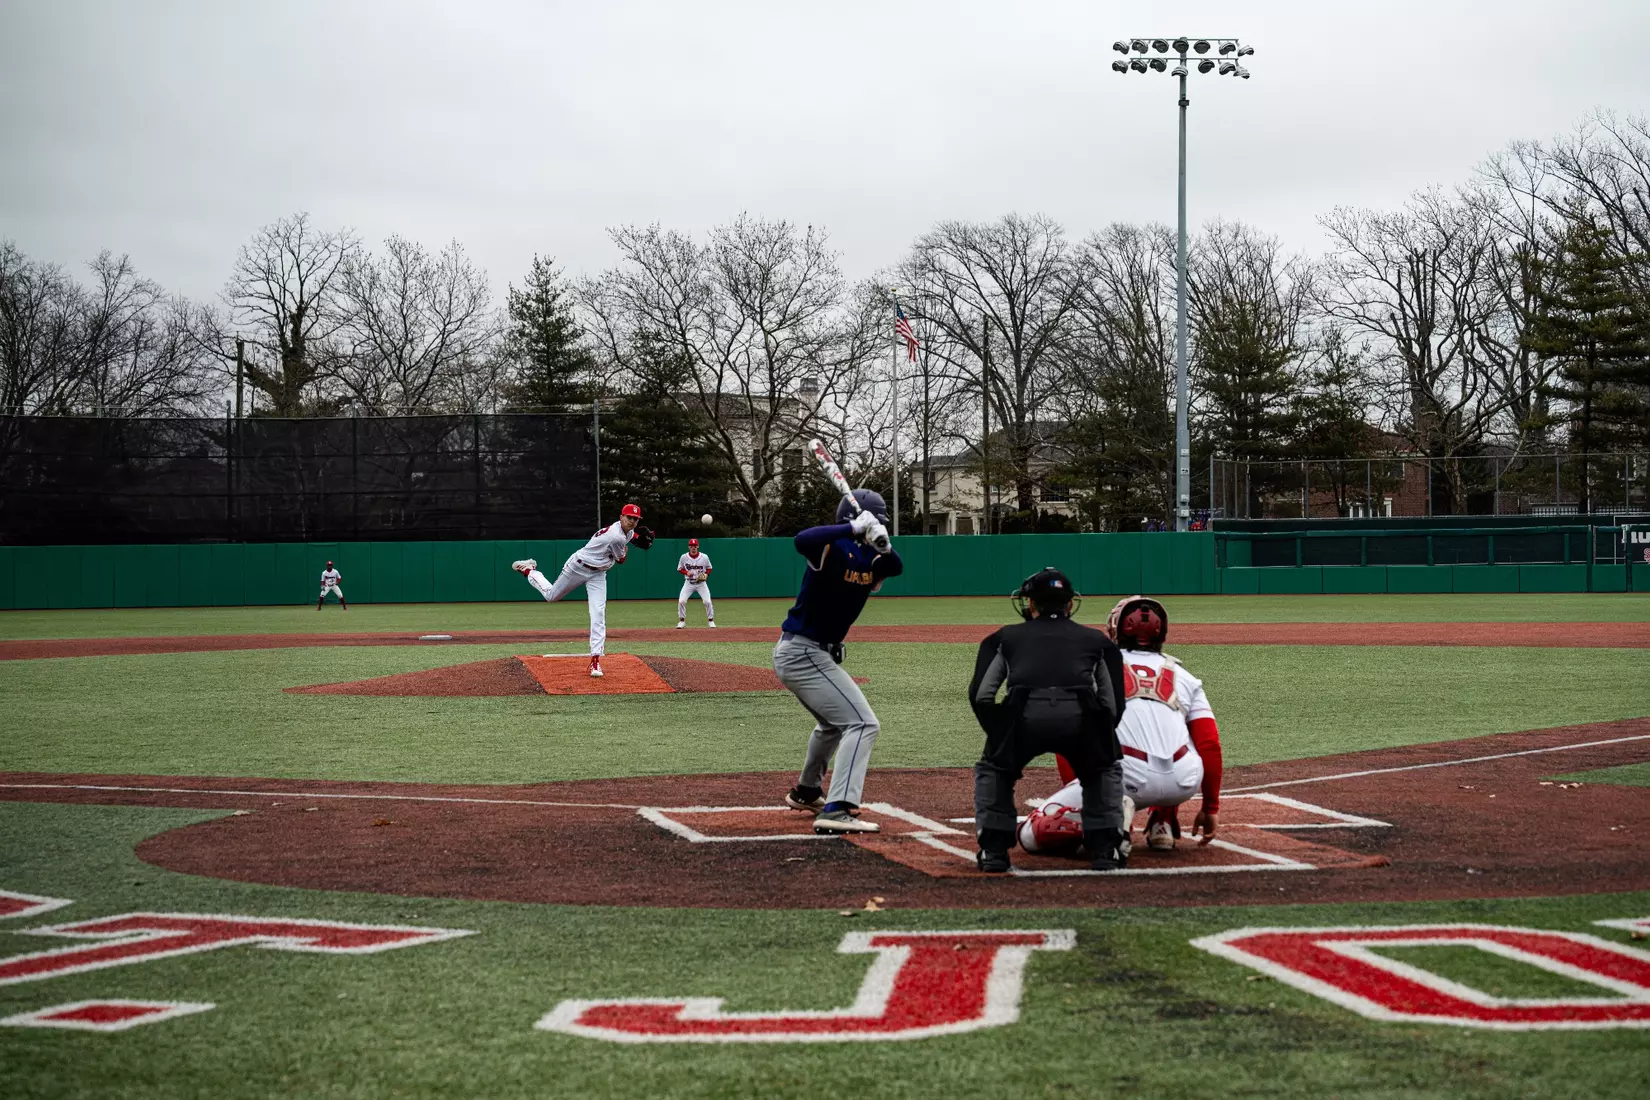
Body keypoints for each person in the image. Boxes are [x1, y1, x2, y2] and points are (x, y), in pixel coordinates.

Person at [1019, 595, 1223, 856]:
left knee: (1030, 834)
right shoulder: (1185, 677)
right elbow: (1209, 744)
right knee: (1177, 728)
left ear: (1116, 628)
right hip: (1184, 781)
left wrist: (1086, 797)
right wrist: (1210, 807)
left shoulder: (1092, 665)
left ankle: (1109, 821)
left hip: (1122, 777)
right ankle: (1163, 822)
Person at [968, 567, 1128, 873]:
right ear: (1069, 604)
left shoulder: (1005, 637)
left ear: (1031, 604)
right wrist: (1100, 736)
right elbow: (1112, 703)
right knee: (1103, 769)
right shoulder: (1096, 641)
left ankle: (994, 851)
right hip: (1081, 717)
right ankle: (1106, 850)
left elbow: (982, 695)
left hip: (1024, 714)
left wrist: (999, 731)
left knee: (994, 768)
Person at [775, 490, 903, 835]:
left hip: (813, 654)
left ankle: (806, 791)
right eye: (875, 522)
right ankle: (840, 808)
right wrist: (851, 529)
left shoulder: (869, 555)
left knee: (833, 725)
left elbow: (896, 567)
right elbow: (802, 539)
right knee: (863, 724)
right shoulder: (832, 545)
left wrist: (883, 542)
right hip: (803, 651)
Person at [512, 503, 653, 678]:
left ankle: (596, 660)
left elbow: (632, 536)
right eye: (629, 517)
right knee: (551, 596)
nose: (632, 521)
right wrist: (636, 544)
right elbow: (621, 559)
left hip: (599, 574)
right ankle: (530, 570)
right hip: (578, 567)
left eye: (635, 519)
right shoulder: (615, 537)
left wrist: (637, 538)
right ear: (621, 517)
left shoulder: (626, 530)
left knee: (598, 613)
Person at [675, 538, 715, 628]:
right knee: (681, 601)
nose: (693, 548)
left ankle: (711, 620)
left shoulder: (704, 557)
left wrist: (706, 575)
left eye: (695, 546)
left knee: (707, 601)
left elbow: (709, 568)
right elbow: (679, 568)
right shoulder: (684, 557)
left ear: (698, 546)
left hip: (701, 583)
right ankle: (682, 621)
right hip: (688, 583)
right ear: (689, 547)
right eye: (691, 546)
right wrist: (686, 573)